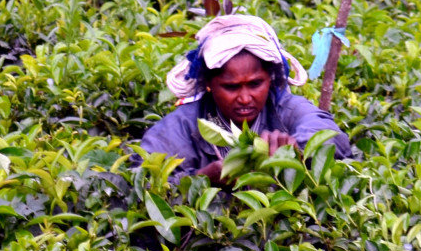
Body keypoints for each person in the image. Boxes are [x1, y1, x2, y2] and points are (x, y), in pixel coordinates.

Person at [140, 13, 359, 183]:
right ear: (209, 84)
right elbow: (143, 177)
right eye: (231, 87)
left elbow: (329, 135)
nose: (245, 99)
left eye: (255, 84)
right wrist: (201, 180)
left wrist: (299, 151)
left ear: (270, 79)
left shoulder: (286, 109)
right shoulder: (184, 124)